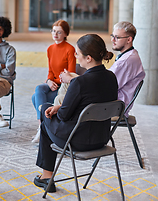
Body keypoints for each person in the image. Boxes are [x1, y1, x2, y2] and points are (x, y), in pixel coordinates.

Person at [33, 34, 118, 193]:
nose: (75, 56)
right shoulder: (111, 77)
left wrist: (56, 108)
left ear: (89, 58)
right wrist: (60, 107)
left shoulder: (79, 82)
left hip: (77, 141)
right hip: (102, 138)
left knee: (45, 111)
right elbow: (94, 104)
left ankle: (46, 177)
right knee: (52, 109)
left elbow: (65, 116)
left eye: (77, 54)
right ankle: (46, 176)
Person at [60, 21, 145, 116]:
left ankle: (61, 123)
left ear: (129, 39)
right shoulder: (131, 55)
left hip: (111, 106)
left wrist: (71, 79)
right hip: (112, 102)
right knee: (70, 83)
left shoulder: (126, 61)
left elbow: (103, 85)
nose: (113, 40)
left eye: (117, 37)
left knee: (61, 98)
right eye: (112, 36)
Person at [31, 20, 76, 143]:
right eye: (53, 31)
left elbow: (70, 73)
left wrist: (57, 81)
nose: (55, 34)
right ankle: (42, 124)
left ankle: (42, 127)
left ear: (66, 34)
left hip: (64, 87)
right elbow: (50, 71)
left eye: (59, 32)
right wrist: (49, 81)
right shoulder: (50, 49)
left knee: (35, 97)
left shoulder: (70, 49)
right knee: (39, 89)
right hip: (53, 84)